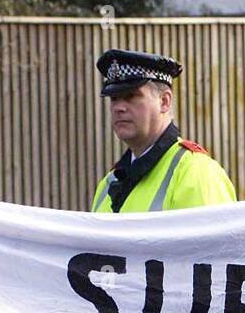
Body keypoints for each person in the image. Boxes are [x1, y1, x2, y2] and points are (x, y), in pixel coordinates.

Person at [90, 49, 236, 213]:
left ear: (164, 101)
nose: (118, 108)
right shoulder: (109, 182)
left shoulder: (196, 172)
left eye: (131, 96)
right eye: (114, 99)